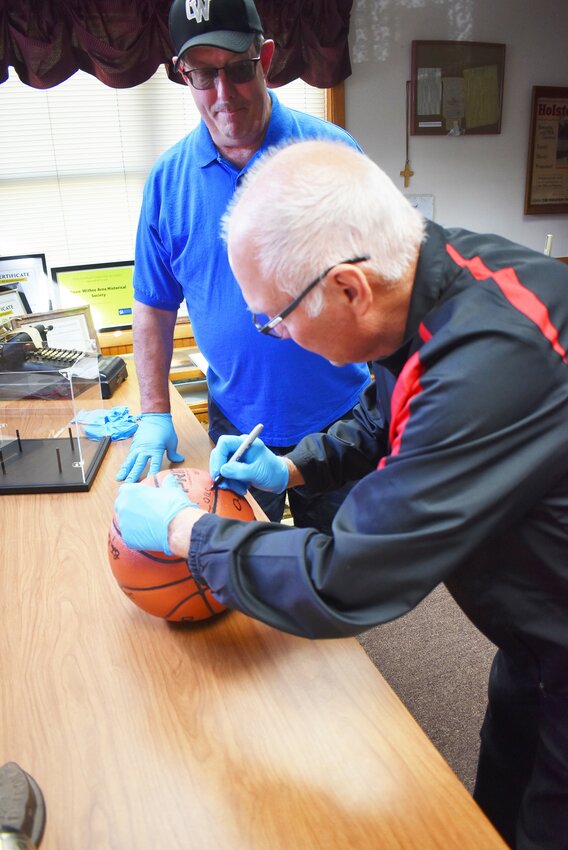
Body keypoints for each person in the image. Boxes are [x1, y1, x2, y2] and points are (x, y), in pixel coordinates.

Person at [115, 139, 568, 850]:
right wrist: (290, 468)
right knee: (491, 813)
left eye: (277, 318)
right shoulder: (430, 278)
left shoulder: (494, 360)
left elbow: (350, 575)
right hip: (534, 639)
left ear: (351, 288)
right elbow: (392, 411)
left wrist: (183, 532)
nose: (277, 335)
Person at [115, 0, 370, 534]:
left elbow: (384, 289)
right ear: (183, 74)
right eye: (204, 75)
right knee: (239, 575)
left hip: (337, 419)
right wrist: (155, 412)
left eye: (237, 68)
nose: (223, 94)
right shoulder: (168, 182)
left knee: (335, 583)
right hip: (236, 422)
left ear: (266, 59)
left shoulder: (332, 154)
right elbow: (154, 306)